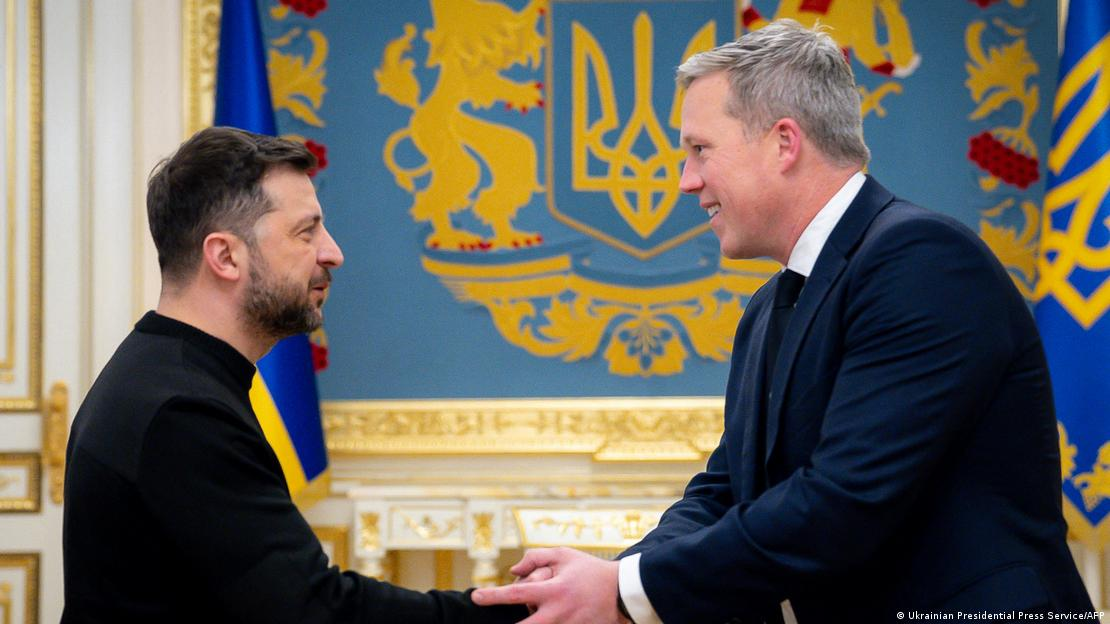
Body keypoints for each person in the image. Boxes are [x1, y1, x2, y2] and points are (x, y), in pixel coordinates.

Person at [472, 20, 1094, 623]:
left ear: (784, 143)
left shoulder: (923, 262)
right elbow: (724, 494)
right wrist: (609, 584)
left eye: (700, 150)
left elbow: (842, 503)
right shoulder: (771, 305)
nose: (687, 181)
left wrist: (623, 591)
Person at [62, 127, 528, 624]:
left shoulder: (163, 373)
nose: (333, 253)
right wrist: (522, 612)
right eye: (306, 233)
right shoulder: (182, 411)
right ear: (225, 256)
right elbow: (314, 613)